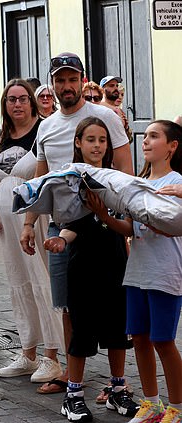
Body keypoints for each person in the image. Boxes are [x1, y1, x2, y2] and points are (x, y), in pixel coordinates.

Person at [19, 52, 133, 395]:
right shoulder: (47, 126)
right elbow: (41, 179)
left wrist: (124, 222)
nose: (66, 86)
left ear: (83, 80)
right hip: (62, 228)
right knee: (68, 304)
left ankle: (115, 383)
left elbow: (125, 170)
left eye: (72, 79)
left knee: (112, 306)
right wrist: (28, 223)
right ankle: (74, 376)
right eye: (60, 80)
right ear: (52, 84)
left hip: (104, 227)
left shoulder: (105, 118)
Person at [43, 117, 139, 422]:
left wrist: (106, 215)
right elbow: (72, 225)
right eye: (91, 140)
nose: (97, 145)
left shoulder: (116, 179)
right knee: (82, 331)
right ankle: (73, 396)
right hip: (82, 264)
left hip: (115, 261)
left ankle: (117, 389)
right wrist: (59, 239)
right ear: (78, 143)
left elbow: (127, 224)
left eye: (102, 140)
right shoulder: (70, 180)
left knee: (116, 329)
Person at [0, 79, 63, 384]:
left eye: (22, 99)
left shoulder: (44, 130)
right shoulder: (3, 135)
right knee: (19, 282)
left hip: (35, 218)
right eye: (10, 100)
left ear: (32, 102)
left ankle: (53, 356)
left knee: (41, 280)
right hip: (7, 220)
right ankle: (28, 351)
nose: (16, 104)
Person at [121, 120, 182, 423]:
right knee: (140, 339)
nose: (145, 141)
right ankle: (151, 403)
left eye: (153, 136)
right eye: (144, 136)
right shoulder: (137, 184)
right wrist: (102, 211)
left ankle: (177, 408)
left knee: (163, 341)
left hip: (165, 273)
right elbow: (129, 228)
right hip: (137, 272)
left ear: (172, 146)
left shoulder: (179, 183)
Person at [100, 76, 132, 141]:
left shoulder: (118, 110)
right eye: (111, 86)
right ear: (102, 89)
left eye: (116, 85)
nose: (115, 88)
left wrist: (126, 128)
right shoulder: (99, 108)